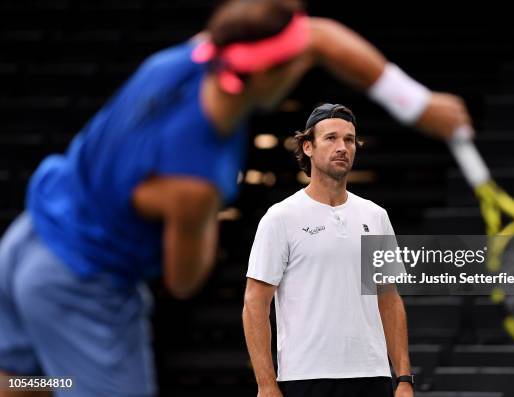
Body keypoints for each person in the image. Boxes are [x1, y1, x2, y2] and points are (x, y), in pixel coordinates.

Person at [0, 0, 471, 395]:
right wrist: (203, 221)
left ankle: (63, 383)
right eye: (293, 64)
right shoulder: (197, 181)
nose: (303, 63)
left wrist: (417, 104)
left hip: (27, 236)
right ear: (268, 77)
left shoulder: (193, 56)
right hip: (80, 284)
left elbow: (320, 38)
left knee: (15, 382)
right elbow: (184, 281)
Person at [244, 104, 414, 397]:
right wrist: (266, 384)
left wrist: (403, 378)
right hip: (305, 378)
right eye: (331, 138)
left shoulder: (375, 216)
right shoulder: (281, 217)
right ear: (307, 146)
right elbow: (255, 304)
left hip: (372, 376)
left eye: (349, 140)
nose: (342, 147)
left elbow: (388, 298)